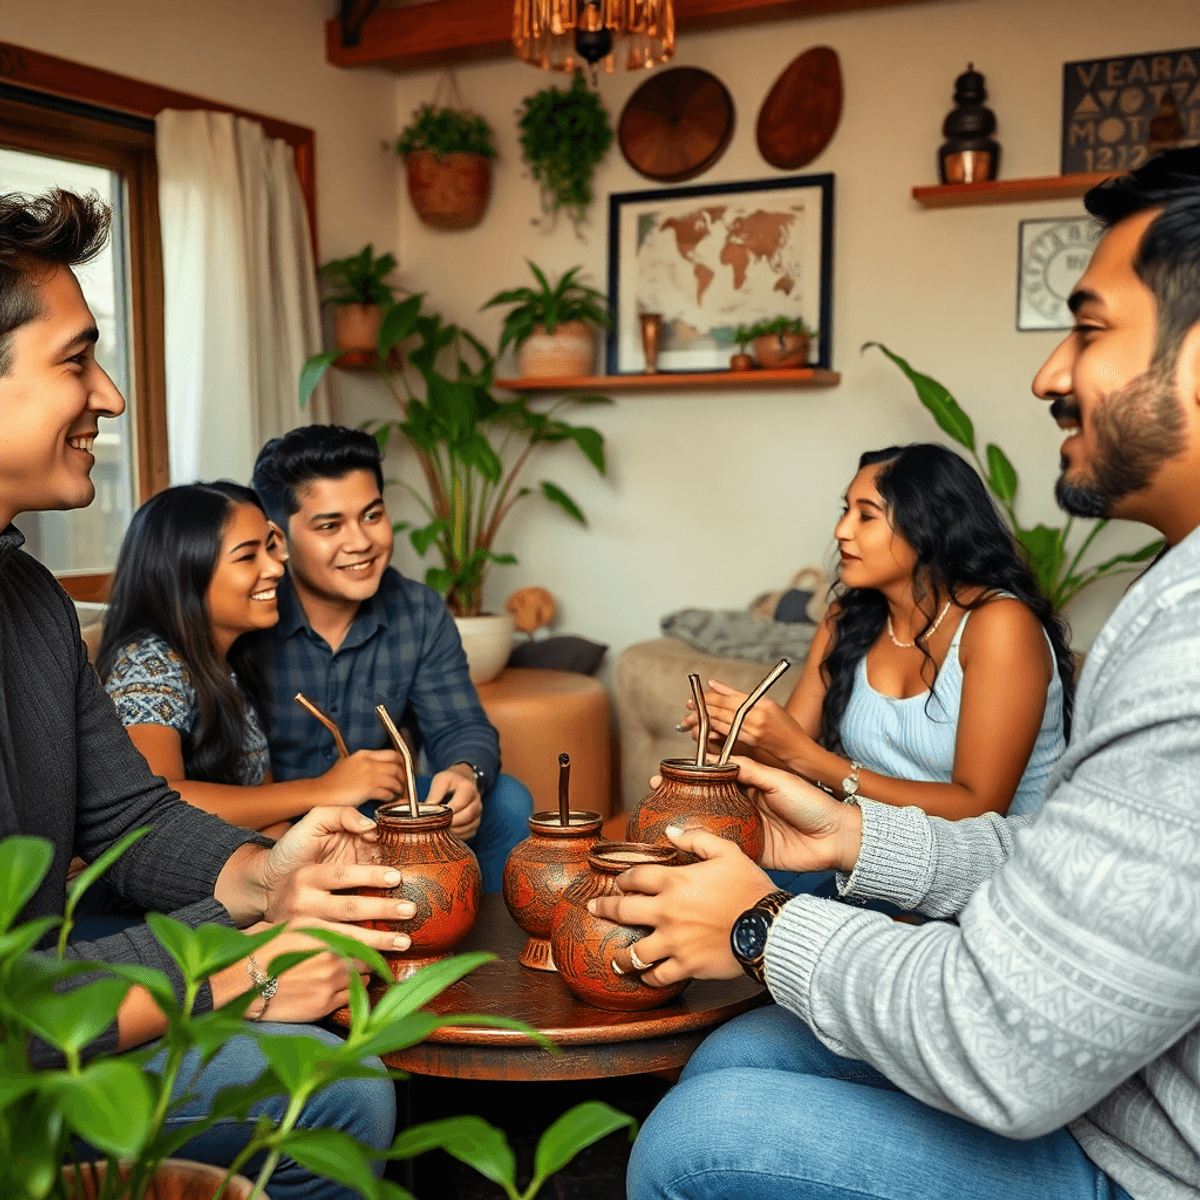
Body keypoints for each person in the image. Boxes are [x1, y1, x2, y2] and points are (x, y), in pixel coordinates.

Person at [595, 148, 1200, 1200]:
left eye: (1091, 329)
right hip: (1102, 1070)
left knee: (698, 1134)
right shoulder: (1159, 597)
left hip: (1135, 1152)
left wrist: (757, 923)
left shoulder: (1120, 642)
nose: (1050, 373)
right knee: (732, 1053)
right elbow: (1074, 866)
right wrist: (857, 835)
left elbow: (1006, 1032)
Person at [0, 189, 415, 1199]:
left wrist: (271, 875)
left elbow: (133, 813)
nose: (111, 394)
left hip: (59, 1003)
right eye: (73, 360)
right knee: (342, 1090)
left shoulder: (31, 599)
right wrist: (239, 970)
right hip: (27, 1043)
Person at [684, 442, 1074, 821]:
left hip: (991, 869)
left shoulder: (999, 624)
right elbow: (792, 754)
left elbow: (979, 807)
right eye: (845, 511)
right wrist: (738, 735)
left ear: (928, 527)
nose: (841, 530)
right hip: (867, 854)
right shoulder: (845, 620)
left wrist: (808, 756)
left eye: (865, 516)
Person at [250, 424, 533, 893]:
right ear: (277, 538)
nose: (361, 541)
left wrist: (465, 773)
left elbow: (461, 726)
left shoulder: (417, 610)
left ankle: (475, 955)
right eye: (330, 526)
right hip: (272, 822)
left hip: (380, 812)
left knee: (505, 801)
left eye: (372, 515)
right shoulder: (249, 609)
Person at [97, 481, 408, 838]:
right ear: (184, 575)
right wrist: (325, 789)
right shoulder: (149, 663)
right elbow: (152, 805)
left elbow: (261, 810)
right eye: (248, 556)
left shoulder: (228, 664)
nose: (276, 568)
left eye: (270, 547)